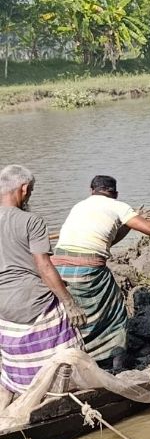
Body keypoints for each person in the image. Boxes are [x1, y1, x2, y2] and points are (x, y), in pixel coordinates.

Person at [52, 175, 150, 370]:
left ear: (91, 190)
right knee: (115, 314)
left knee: (77, 314)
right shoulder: (119, 206)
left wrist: (127, 226)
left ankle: (79, 358)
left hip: (58, 269)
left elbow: (107, 241)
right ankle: (117, 364)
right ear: (115, 193)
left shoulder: (79, 206)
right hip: (88, 270)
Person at [0, 165, 84, 400]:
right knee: (69, 339)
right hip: (33, 301)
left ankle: (17, 389)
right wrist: (69, 302)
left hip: (4, 309)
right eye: (31, 191)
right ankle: (65, 392)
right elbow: (44, 267)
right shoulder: (31, 221)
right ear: (24, 189)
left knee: (9, 363)